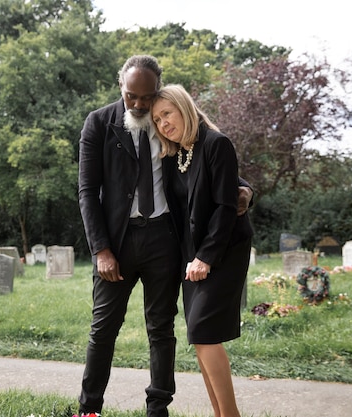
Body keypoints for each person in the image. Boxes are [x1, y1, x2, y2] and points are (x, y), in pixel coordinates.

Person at [77, 55, 252, 417]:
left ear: (159, 89)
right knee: (103, 327)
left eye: (147, 96)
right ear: (120, 87)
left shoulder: (170, 114)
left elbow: (213, 150)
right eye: (131, 97)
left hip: (165, 239)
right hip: (117, 244)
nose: (140, 105)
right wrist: (101, 249)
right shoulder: (98, 124)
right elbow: (86, 191)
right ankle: (89, 408)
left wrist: (246, 189)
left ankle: (158, 408)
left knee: (161, 328)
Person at [151, 84, 253, 417]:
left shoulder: (216, 143)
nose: (163, 123)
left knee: (206, 333)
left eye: (167, 113)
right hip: (191, 256)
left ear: (185, 107)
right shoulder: (176, 154)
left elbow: (226, 205)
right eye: (157, 120)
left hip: (222, 250)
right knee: (199, 336)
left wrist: (206, 257)